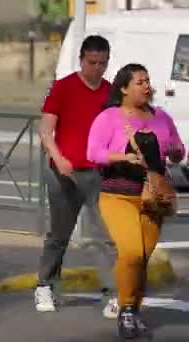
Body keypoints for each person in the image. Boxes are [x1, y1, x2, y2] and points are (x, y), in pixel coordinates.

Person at [87, 64, 184, 339]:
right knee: (131, 252)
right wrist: (122, 157)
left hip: (153, 198)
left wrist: (177, 152)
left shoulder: (161, 118)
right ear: (124, 88)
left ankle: (133, 310)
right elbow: (93, 152)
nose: (146, 85)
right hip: (117, 195)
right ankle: (126, 309)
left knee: (141, 259)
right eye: (140, 81)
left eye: (148, 80)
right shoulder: (109, 118)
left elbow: (177, 151)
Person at [35, 35, 117, 316]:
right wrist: (59, 159)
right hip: (63, 173)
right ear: (81, 59)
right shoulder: (62, 87)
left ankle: (113, 293)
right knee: (59, 234)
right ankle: (45, 286)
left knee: (105, 236)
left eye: (102, 63)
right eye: (92, 62)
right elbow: (45, 130)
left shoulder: (111, 92)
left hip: (98, 173)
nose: (97, 68)